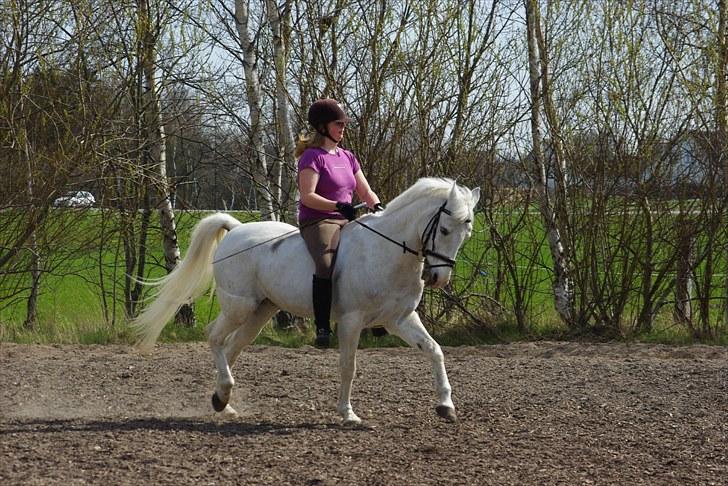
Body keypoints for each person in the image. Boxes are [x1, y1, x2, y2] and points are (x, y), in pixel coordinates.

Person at [296, 98, 384, 347]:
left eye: (344, 124)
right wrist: (337, 206)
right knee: (325, 263)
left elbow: (365, 192)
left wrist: (376, 206)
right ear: (323, 127)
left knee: (375, 253)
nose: (343, 128)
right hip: (318, 220)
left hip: (346, 220)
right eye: (338, 124)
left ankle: (376, 318)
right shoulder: (312, 157)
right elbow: (308, 197)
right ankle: (323, 326)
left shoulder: (347, 157)